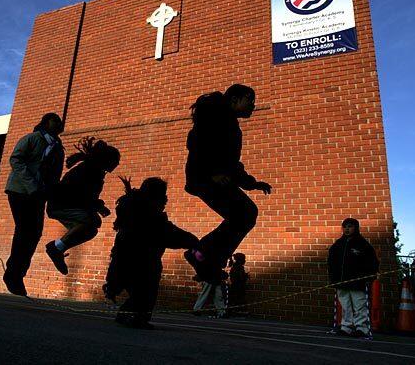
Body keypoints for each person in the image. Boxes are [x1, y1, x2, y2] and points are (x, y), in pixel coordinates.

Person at [183, 85, 272, 282]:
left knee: (243, 215)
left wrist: (251, 183)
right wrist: (210, 174)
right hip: (205, 179)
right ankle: (203, 256)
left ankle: (204, 257)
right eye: (250, 100)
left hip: (212, 178)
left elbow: (231, 164)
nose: (253, 106)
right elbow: (198, 145)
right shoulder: (217, 119)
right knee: (245, 213)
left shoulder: (229, 123)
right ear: (234, 100)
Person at [104, 177, 199, 329]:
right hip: (144, 264)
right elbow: (170, 235)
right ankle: (136, 317)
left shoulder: (133, 214)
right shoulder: (150, 218)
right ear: (155, 197)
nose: (166, 199)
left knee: (139, 293)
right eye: (163, 195)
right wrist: (194, 241)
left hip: (127, 262)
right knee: (145, 292)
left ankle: (128, 314)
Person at [3, 113, 65, 296]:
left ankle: (17, 274)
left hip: (39, 195)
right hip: (20, 191)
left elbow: (56, 175)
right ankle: (13, 275)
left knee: (35, 233)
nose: (59, 123)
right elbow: (15, 159)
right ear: (45, 122)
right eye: (55, 120)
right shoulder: (32, 138)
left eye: (60, 122)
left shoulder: (58, 148)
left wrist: (49, 193)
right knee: (24, 230)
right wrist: (31, 185)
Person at [45, 137, 120, 275]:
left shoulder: (95, 172)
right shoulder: (90, 171)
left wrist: (97, 206)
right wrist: (97, 206)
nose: (117, 164)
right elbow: (81, 194)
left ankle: (58, 248)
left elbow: (86, 196)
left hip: (66, 204)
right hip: (60, 205)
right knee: (91, 221)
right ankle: (55, 248)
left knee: (91, 230)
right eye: (116, 161)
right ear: (107, 160)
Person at [327, 218, 379, 339]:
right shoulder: (337, 245)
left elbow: (373, 262)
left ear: (356, 228)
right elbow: (331, 263)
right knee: (345, 305)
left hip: (357, 282)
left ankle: (362, 328)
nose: (347, 229)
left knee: (359, 304)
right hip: (341, 281)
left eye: (350, 227)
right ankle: (346, 327)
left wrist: (369, 276)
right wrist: (333, 278)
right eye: (345, 227)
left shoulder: (363, 244)